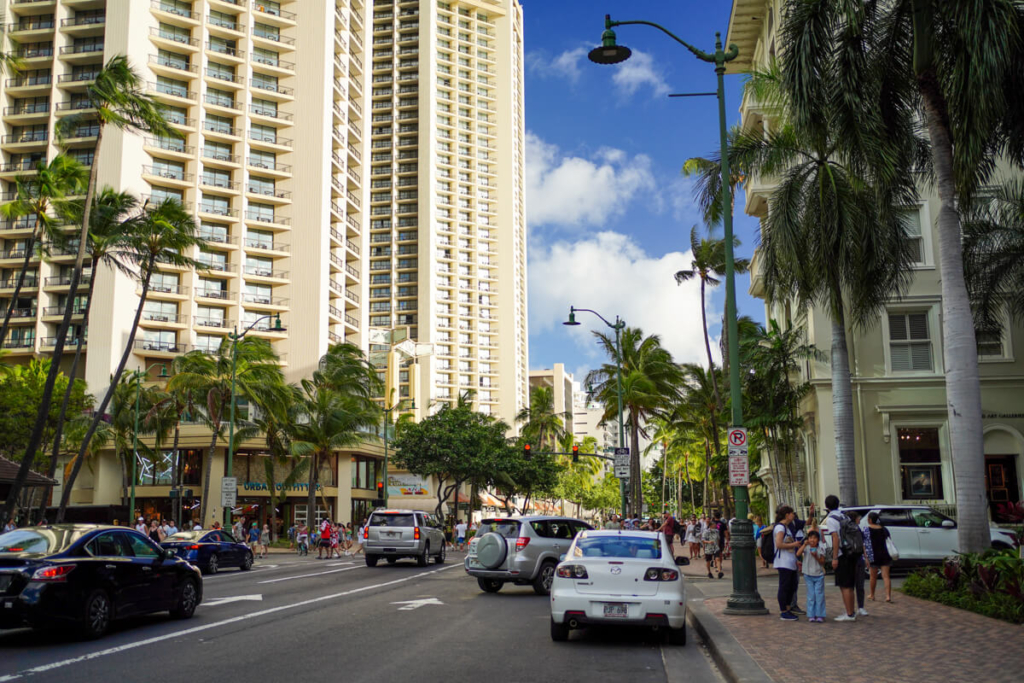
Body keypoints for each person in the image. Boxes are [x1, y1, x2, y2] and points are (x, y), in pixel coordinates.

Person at [823, 494, 860, 622]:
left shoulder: (831, 519)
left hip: (842, 554)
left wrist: (834, 558)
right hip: (851, 552)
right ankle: (851, 611)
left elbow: (835, 537)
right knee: (849, 585)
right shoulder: (844, 515)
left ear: (826, 506)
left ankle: (849, 614)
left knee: (844, 585)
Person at [773, 505, 802, 621]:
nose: (793, 515)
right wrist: (794, 545)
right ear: (787, 515)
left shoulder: (787, 527)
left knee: (791, 585)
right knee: (785, 586)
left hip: (790, 561)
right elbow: (779, 544)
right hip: (783, 562)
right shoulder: (780, 528)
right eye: (792, 513)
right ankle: (783, 611)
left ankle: (788, 608)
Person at [796, 529, 827, 622]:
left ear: (818, 539)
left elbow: (822, 561)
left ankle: (820, 615)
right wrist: (804, 544)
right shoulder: (806, 547)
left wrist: (815, 556)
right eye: (810, 538)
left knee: (819, 595)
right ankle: (811, 615)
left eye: (814, 538)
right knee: (811, 595)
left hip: (818, 574)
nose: (812, 540)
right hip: (808, 574)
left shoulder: (821, 547)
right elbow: (797, 554)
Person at [866, 511, 894, 603]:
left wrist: (866, 557)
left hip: (873, 555)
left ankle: (872, 595)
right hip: (885, 554)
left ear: (870, 520)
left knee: (873, 576)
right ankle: (888, 596)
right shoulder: (884, 529)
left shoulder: (867, 530)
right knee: (886, 576)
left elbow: (865, 544)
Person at [846, 510, 869, 616]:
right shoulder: (849, 529)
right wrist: (865, 557)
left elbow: (862, 544)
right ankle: (855, 608)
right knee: (856, 585)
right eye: (858, 517)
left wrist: (865, 557)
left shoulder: (857, 529)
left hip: (856, 559)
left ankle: (859, 607)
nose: (860, 519)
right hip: (855, 559)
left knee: (858, 585)